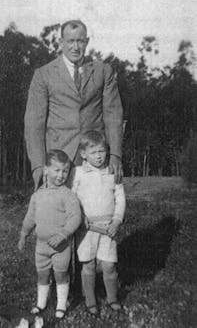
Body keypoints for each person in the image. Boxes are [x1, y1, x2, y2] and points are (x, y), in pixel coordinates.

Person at [24, 19, 124, 190]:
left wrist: (115, 154)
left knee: (98, 210)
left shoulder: (103, 71)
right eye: (70, 41)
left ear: (87, 42)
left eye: (80, 41)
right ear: (61, 42)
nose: (75, 47)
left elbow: (113, 116)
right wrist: (38, 165)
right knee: (59, 212)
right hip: (59, 161)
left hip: (95, 158)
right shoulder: (43, 74)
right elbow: (34, 124)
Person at [18, 150, 81, 319]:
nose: (61, 175)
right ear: (46, 170)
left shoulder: (68, 195)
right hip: (41, 246)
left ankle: (61, 305)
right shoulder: (37, 195)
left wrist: (63, 234)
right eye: (57, 170)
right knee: (42, 274)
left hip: (61, 247)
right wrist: (24, 233)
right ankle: (41, 303)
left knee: (61, 274)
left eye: (65, 171)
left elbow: (76, 217)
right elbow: (30, 217)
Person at [72, 131, 126, 316]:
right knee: (88, 265)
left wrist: (117, 221)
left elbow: (120, 199)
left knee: (109, 265)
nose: (99, 156)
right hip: (86, 228)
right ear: (83, 154)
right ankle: (90, 301)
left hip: (108, 228)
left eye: (102, 151)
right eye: (93, 152)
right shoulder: (78, 173)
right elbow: (72, 198)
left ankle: (112, 298)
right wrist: (79, 217)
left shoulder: (112, 171)